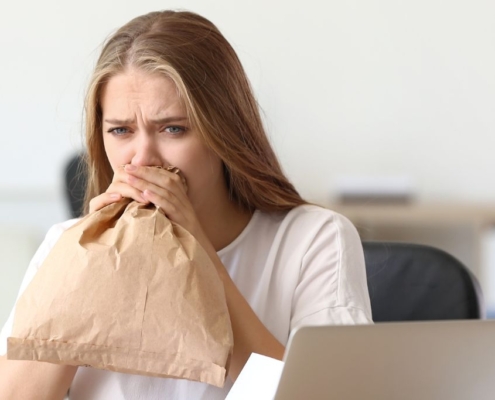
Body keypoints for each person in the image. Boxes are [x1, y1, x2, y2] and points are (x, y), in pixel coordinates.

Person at [0, 9, 372, 400]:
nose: (141, 159)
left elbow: (322, 395)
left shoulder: (313, 239)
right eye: (121, 131)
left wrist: (200, 257)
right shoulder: (65, 245)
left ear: (224, 132)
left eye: (173, 128)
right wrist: (84, 271)